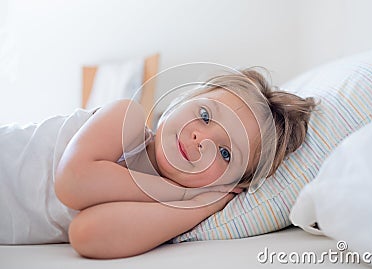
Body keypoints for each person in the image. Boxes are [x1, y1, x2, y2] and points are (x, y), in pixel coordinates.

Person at [0, 68, 316, 259]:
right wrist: (179, 194)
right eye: (205, 115)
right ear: (187, 97)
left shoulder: (162, 214)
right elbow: (72, 183)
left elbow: (87, 234)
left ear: (231, 186)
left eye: (225, 153)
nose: (200, 140)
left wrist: (200, 207)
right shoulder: (128, 118)